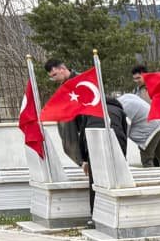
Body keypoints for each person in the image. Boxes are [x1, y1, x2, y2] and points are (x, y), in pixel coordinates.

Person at [44, 57, 128, 214]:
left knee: (97, 177)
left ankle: (97, 214)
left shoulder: (82, 82)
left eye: (54, 74)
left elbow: (78, 127)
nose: (53, 78)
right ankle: (110, 213)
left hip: (93, 132)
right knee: (110, 174)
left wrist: (83, 158)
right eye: (51, 76)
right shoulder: (116, 108)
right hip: (97, 133)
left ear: (62, 68)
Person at [115, 91, 160, 168]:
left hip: (149, 131)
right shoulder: (126, 97)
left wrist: (121, 145)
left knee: (147, 160)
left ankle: (153, 179)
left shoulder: (125, 107)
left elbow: (126, 128)